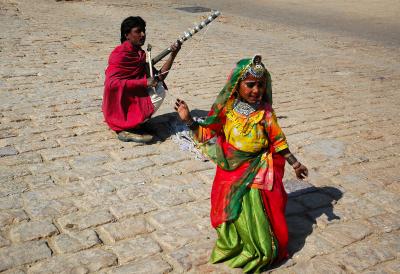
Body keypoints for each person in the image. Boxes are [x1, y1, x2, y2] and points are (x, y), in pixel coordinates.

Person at [174, 56, 308, 272]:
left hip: (259, 167)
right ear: (237, 86)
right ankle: (234, 244)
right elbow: (207, 132)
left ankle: (260, 249)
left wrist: (295, 163)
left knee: (257, 210)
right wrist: (188, 120)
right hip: (231, 168)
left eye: (260, 85)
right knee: (229, 208)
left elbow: (278, 140)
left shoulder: (265, 112)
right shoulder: (227, 109)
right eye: (250, 85)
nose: (256, 90)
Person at [102, 16, 181, 143]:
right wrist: (144, 82)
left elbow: (159, 77)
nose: (143, 35)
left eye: (144, 31)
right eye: (138, 31)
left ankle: (136, 123)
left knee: (159, 89)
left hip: (132, 95)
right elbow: (111, 84)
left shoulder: (139, 53)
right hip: (118, 106)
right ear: (127, 35)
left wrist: (173, 55)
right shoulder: (119, 55)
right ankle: (126, 128)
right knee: (157, 92)